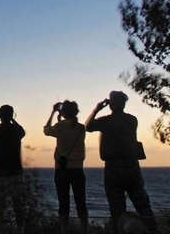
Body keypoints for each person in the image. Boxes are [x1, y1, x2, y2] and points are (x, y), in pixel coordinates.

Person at [86, 91, 158, 234]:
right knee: (143, 206)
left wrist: (97, 109)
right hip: (132, 167)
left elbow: (87, 127)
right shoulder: (132, 120)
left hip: (113, 169)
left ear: (111, 104)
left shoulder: (106, 121)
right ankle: (153, 230)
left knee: (117, 210)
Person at [44, 100, 88, 234]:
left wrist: (53, 112)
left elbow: (47, 130)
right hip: (78, 169)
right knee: (81, 201)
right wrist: (60, 115)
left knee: (63, 203)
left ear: (64, 113)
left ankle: (64, 230)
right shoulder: (81, 128)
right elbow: (68, 128)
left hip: (62, 170)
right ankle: (84, 229)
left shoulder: (60, 126)